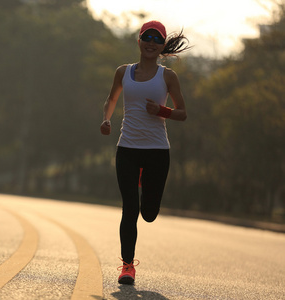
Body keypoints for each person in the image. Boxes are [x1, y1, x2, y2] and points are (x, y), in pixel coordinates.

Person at [100, 20, 190, 285]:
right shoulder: (123, 72)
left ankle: (145, 184)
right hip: (127, 147)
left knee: (148, 213)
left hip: (157, 151)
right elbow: (112, 99)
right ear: (139, 41)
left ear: (162, 45)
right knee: (130, 208)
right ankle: (127, 266)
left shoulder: (168, 76)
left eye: (156, 39)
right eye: (147, 37)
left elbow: (183, 113)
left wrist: (161, 111)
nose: (151, 43)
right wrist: (106, 119)